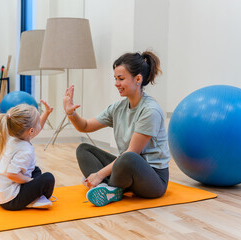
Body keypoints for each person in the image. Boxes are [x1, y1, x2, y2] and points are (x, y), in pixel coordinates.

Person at [63, 51, 170, 207]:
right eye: (115, 79)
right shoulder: (118, 108)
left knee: (128, 157)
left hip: (153, 180)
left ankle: (107, 186)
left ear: (138, 79)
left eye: (121, 79)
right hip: (128, 169)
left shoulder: (150, 110)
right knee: (83, 149)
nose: (116, 83)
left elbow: (133, 153)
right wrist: (71, 113)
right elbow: (85, 126)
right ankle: (108, 188)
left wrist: (99, 174)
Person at [0, 102, 55, 211]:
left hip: (5, 195)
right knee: (48, 178)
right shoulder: (25, 150)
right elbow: (12, 174)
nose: (39, 126)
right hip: (11, 200)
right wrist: (30, 181)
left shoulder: (14, 138)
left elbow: (36, 128)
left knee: (36, 170)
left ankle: (33, 197)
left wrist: (47, 113)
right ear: (31, 131)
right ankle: (32, 201)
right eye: (37, 123)